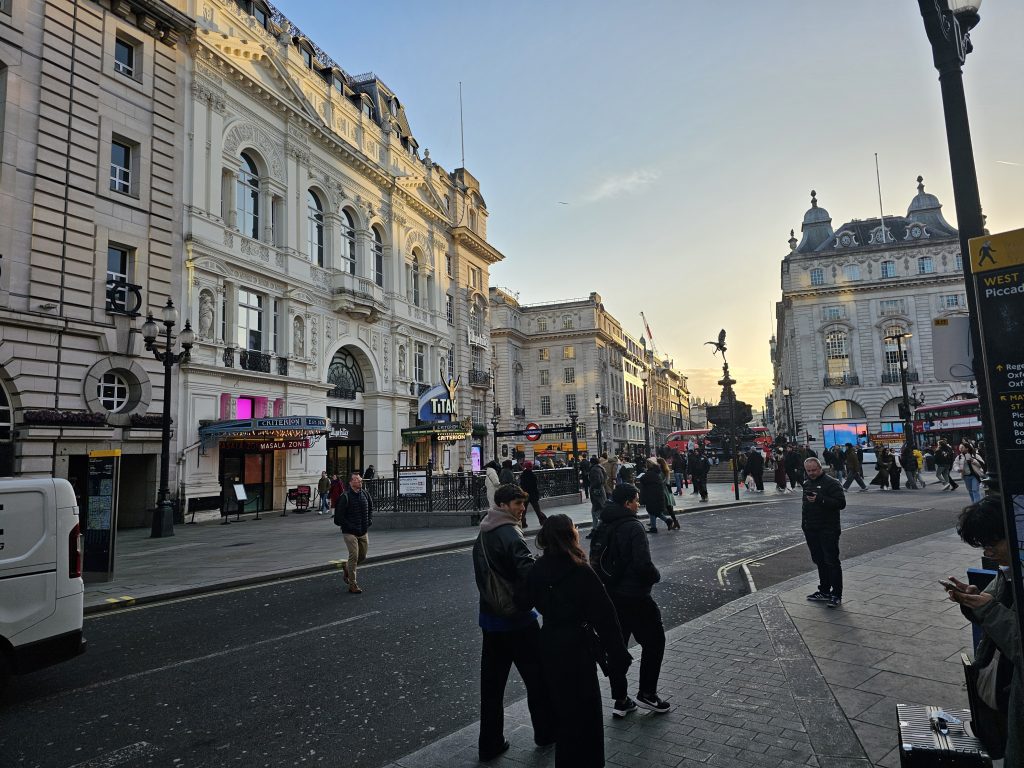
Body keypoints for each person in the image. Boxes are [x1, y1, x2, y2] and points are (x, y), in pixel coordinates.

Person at [526, 515, 631, 767]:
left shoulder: (537, 568)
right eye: (574, 527)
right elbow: (605, 616)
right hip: (578, 645)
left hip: (550, 642)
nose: (576, 529)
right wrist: (618, 653)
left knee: (562, 708)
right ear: (569, 535)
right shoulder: (580, 570)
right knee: (587, 709)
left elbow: (522, 601)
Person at [473, 484, 556, 761]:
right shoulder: (509, 533)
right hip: (518, 621)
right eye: (517, 504)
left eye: (523, 503)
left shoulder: (483, 532)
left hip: (490, 619)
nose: (522, 509)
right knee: (538, 679)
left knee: (492, 688)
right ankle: (546, 732)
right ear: (503, 505)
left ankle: (490, 743)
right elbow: (527, 574)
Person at [946, 499, 1021, 765]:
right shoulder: (1009, 570)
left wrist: (987, 609)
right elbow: (992, 608)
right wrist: (972, 599)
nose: (988, 553)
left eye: (992, 544)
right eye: (983, 547)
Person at [594, 484, 672, 715]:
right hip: (636, 596)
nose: (639, 504)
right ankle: (647, 693)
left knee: (617, 648)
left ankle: (621, 700)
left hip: (612, 595)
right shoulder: (633, 526)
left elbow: (595, 559)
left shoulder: (603, 523)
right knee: (655, 642)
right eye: (636, 500)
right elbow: (642, 564)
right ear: (627, 503)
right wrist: (655, 576)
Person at [801, 458, 847, 608]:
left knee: (832, 562)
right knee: (819, 561)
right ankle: (824, 590)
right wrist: (805, 526)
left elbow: (841, 503)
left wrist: (820, 499)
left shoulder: (832, 483)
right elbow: (805, 507)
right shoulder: (807, 483)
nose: (811, 473)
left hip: (828, 529)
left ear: (820, 468)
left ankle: (836, 594)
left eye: (814, 470)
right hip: (811, 529)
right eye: (808, 470)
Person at [334, 473, 373, 595]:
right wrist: (349, 526)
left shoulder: (365, 494)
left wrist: (369, 521)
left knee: (363, 556)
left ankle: (347, 567)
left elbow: (370, 508)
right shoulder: (345, 497)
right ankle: (353, 584)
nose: (360, 481)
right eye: (357, 480)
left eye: (360, 479)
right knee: (354, 556)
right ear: (351, 482)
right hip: (350, 532)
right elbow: (338, 518)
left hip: (363, 531)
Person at [638, 458, 674, 533]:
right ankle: (665, 522)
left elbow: (642, 480)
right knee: (656, 512)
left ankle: (655, 527)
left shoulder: (649, 474)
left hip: (651, 495)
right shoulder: (656, 473)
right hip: (658, 494)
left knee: (652, 511)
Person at [519, 461, 546, 528]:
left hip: (525, 494)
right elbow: (535, 487)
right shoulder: (533, 475)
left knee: (524, 510)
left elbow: (522, 485)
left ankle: (523, 523)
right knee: (537, 509)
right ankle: (543, 521)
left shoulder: (522, 475)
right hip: (533, 494)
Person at [656, 457, 681, 529]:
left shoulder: (661, 472)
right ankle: (674, 522)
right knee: (669, 508)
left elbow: (662, 482)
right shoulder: (666, 470)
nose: (656, 464)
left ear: (660, 463)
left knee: (666, 508)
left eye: (657, 463)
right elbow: (667, 482)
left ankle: (671, 522)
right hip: (667, 490)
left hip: (664, 491)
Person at [587, 456, 607, 536]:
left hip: (596, 492)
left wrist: (593, 487)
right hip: (600, 491)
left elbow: (597, 481)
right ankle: (594, 529)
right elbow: (604, 479)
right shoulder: (600, 468)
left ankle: (599, 530)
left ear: (592, 463)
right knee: (594, 511)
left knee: (597, 511)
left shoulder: (594, 469)